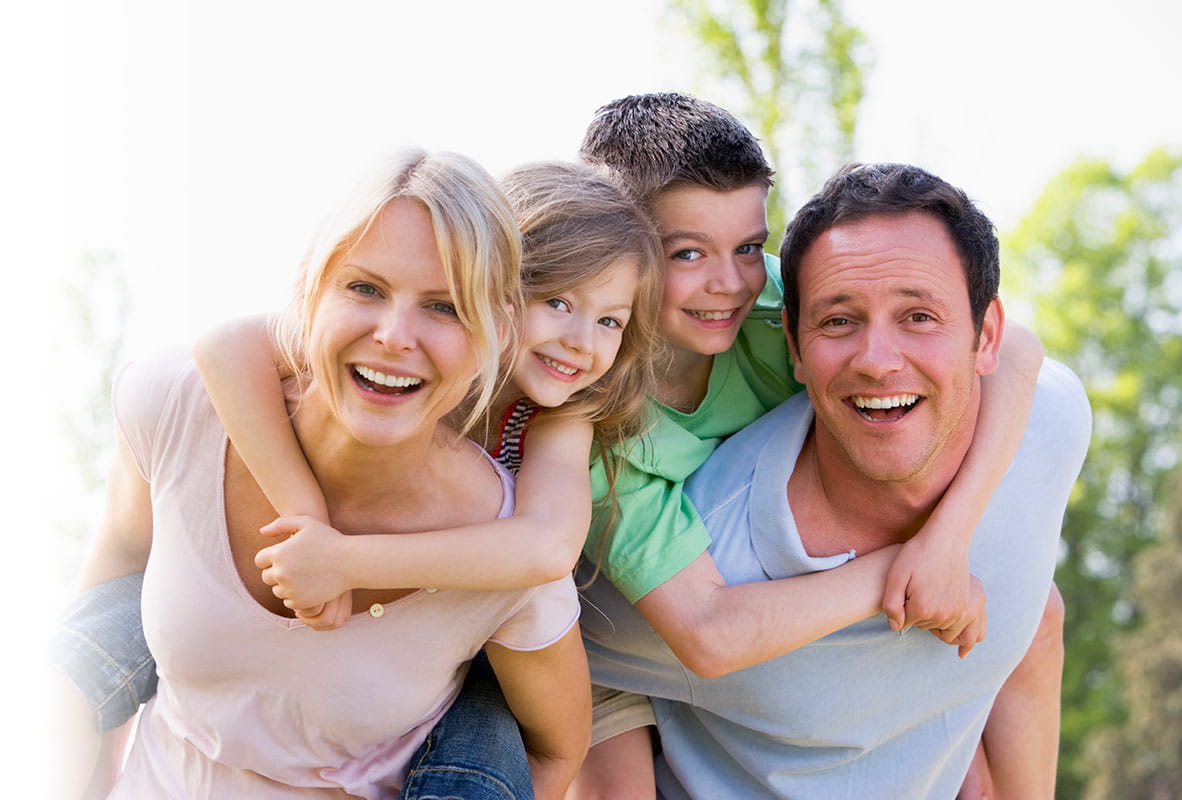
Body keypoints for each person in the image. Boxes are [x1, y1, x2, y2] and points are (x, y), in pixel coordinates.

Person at [52, 150, 591, 799]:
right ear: (309, 293)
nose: (394, 334)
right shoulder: (177, 407)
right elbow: (94, 644)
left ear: (497, 331)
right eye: (365, 288)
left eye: (443, 307)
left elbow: (555, 753)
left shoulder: (504, 558)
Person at [566, 93, 1055, 799]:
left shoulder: (771, 311)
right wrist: (901, 572)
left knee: (1035, 610)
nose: (729, 282)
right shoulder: (600, 423)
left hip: (761, 568)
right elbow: (707, 635)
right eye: (687, 253)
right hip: (621, 633)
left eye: (745, 247)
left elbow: (1014, 348)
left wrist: (946, 543)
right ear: (619, 248)